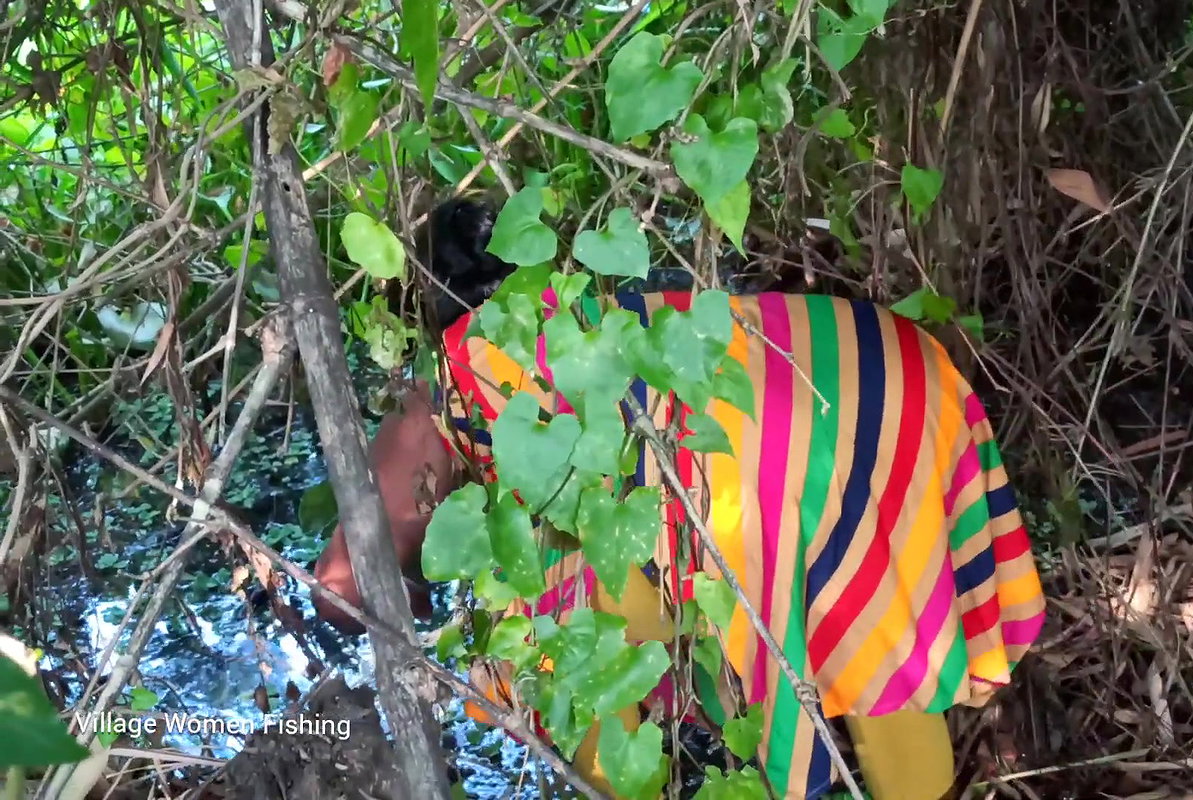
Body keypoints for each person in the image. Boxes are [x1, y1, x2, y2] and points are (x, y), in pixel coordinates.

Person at [312, 198, 1047, 800]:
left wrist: (347, 609)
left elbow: (341, 580)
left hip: (771, 459)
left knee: (553, 615)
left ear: (418, 321)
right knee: (876, 625)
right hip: (880, 363)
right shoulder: (590, 311)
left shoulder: (451, 382)